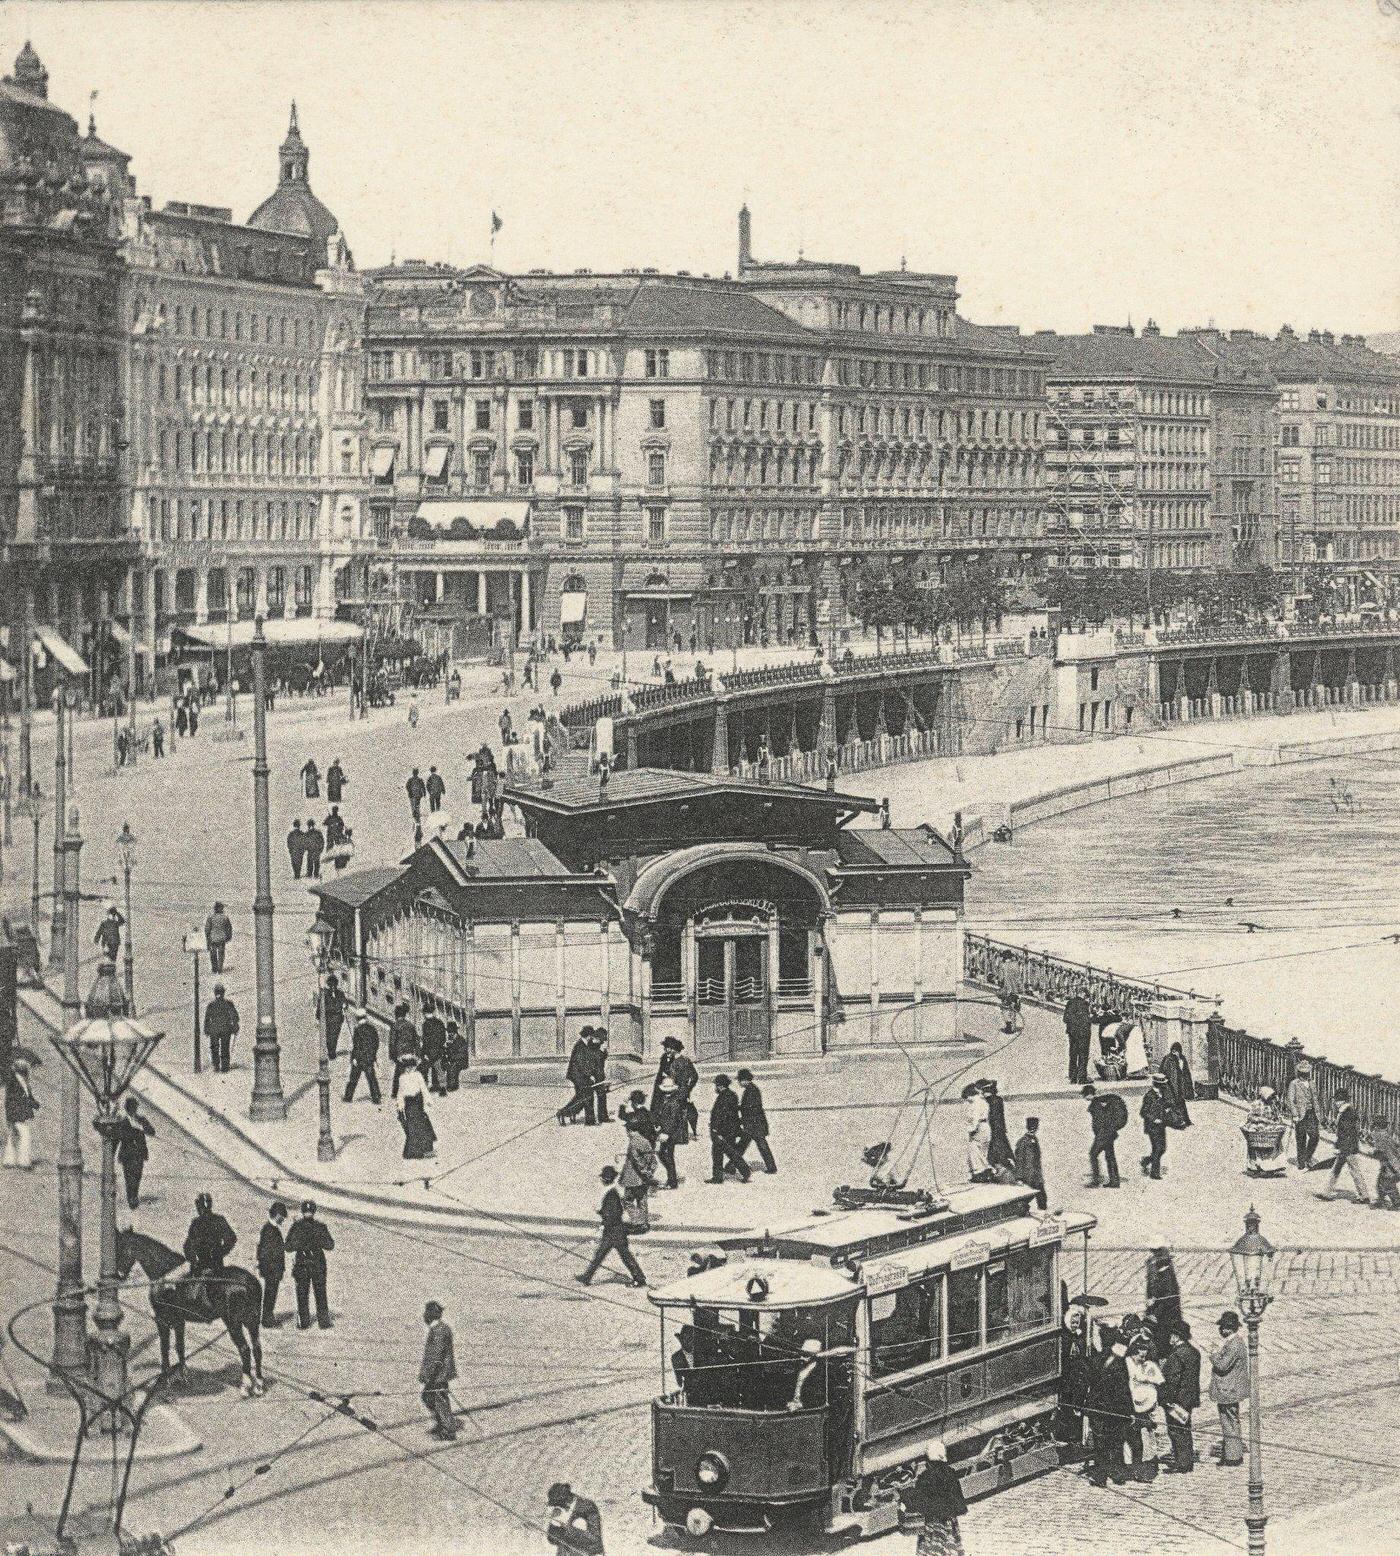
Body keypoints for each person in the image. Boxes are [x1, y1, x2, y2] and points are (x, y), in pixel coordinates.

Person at [575, 1166, 647, 1288]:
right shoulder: (611, 1192)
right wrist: (603, 1214)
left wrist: (603, 1220)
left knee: (623, 1256)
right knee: (602, 1255)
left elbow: (614, 1213)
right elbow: (613, 1212)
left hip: (614, 1231)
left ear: (604, 1179)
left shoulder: (611, 1194)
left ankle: (640, 1279)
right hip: (614, 1231)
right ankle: (587, 1277)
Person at [900, 1440, 968, 1556]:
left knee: (932, 1549)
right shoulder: (950, 1473)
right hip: (949, 1521)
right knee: (950, 1546)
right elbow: (959, 1500)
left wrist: (904, 1494)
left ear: (928, 1461)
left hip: (932, 1522)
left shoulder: (925, 1477)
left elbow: (918, 1500)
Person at [1086, 1329, 1132, 1487]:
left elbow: (1088, 1383)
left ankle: (1100, 1476)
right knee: (1117, 1442)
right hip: (1116, 1409)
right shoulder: (1121, 1362)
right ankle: (1119, 1475)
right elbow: (1125, 1389)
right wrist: (1129, 1411)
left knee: (1100, 1444)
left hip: (1098, 1409)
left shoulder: (1095, 1360)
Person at [285, 1200, 334, 1329]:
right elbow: (330, 1245)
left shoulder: (296, 1226)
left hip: (302, 1262)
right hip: (317, 1263)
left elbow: (288, 1246)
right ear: (314, 1211)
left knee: (302, 1293)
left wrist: (300, 1243)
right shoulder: (320, 1226)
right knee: (320, 1293)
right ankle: (324, 1322)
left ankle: (304, 1322)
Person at [183, 1191, 237, 1309]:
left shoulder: (216, 1221)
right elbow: (188, 1245)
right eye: (200, 1207)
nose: (201, 1210)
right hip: (201, 1264)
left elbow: (231, 1238)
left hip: (213, 1264)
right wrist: (192, 1258)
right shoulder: (197, 1223)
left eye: (201, 1207)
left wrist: (220, 1252)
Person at [1160, 1320, 1201, 1472]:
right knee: (1185, 1429)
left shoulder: (1176, 1355)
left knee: (1176, 1431)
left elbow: (1172, 1381)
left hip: (1176, 1400)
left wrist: (1167, 1400)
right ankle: (1187, 1461)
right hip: (1189, 1399)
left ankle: (1182, 1463)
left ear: (1177, 1337)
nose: (1169, 1337)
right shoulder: (1194, 1352)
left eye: (1171, 1334)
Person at [1124, 1332, 1165, 1481]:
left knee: (1147, 1436)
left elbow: (1159, 1381)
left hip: (1145, 1407)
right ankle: (1132, 1467)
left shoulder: (1146, 1365)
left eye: (1144, 1356)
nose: (1143, 1359)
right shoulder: (1127, 1364)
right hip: (1131, 1407)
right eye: (1140, 1356)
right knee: (1132, 1440)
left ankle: (1146, 1466)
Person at [1209, 1311, 1248, 1467]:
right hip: (1230, 1389)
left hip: (1228, 1390)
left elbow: (1222, 1365)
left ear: (1228, 1328)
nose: (1220, 1330)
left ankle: (1232, 1457)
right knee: (1230, 1421)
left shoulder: (1234, 1345)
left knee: (1229, 1422)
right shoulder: (1234, 1343)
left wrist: (1213, 1354)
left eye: (1222, 1327)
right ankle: (1232, 1453)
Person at [419, 1300, 458, 1440]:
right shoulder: (441, 1328)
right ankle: (443, 1424)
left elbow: (436, 1356)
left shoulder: (439, 1331)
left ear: (431, 1314)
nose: (423, 1316)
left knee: (438, 1400)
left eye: (426, 1312)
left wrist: (428, 1375)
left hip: (438, 1374)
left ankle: (448, 1430)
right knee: (430, 1397)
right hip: (439, 1373)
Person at [1323, 1087, 1369, 1203]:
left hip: (1347, 1147)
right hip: (1347, 1146)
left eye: (1337, 1100)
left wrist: (1340, 1148)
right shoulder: (1346, 1111)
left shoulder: (1347, 1113)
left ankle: (1364, 1196)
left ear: (1342, 1100)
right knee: (1339, 1169)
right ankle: (1327, 1192)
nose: (1335, 1102)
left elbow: (1347, 1133)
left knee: (1351, 1170)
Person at [707, 1075, 751, 1184]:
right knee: (730, 1152)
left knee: (720, 1153)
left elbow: (722, 1116)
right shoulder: (731, 1095)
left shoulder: (723, 1097)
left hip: (722, 1131)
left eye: (716, 1085)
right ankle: (727, 1173)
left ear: (720, 1086)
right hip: (731, 1130)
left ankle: (743, 1171)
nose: (715, 1087)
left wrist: (716, 1130)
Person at [114, 1096, 155, 1210]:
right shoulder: (123, 1121)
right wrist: (135, 1130)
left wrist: (142, 1126)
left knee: (137, 1175)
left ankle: (134, 1195)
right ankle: (131, 1198)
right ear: (127, 1109)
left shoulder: (141, 1119)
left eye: (134, 1108)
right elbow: (120, 1137)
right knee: (129, 1177)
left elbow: (152, 1132)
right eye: (131, 1108)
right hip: (128, 1154)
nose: (133, 1110)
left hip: (139, 1153)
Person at [619, 1116, 658, 1232]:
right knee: (642, 1200)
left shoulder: (634, 1142)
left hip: (634, 1178)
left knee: (627, 1200)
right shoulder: (644, 1140)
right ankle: (644, 1223)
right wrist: (649, 1173)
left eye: (627, 1129)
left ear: (630, 1129)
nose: (626, 1132)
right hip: (643, 1178)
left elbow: (637, 1160)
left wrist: (644, 1172)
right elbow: (652, 1160)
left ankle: (639, 1223)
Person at [735, 1068, 777, 1174]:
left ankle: (772, 1167)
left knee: (746, 1146)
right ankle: (771, 1167)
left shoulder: (751, 1091)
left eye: (740, 1080)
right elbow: (747, 1107)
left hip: (754, 1124)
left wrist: (740, 1117)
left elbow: (750, 1108)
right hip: (755, 1124)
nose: (739, 1083)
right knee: (745, 1146)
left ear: (745, 1080)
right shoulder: (751, 1089)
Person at [1084, 1083, 1125, 1188]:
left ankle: (1095, 1181)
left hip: (1103, 1135)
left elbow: (1101, 1121)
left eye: (1085, 1095)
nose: (1084, 1098)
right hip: (1109, 1134)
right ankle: (1114, 1181)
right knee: (1110, 1156)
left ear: (1089, 1094)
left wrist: (1100, 1135)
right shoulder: (1102, 1101)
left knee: (1093, 1154)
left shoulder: (1096, 1104)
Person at [545, 1483, 604, 1556]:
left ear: (567, 1501)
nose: (556, 1507)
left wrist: (566, 1528)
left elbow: (594, 1539)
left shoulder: (588, 1507)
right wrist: (554, 1524)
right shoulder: (559, 1509)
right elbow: (552, 1540)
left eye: (559, 1504)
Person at [652, 1075, 689, 1190]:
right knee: (664, 1154)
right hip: (665, 1132)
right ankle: (672, 1176)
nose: (666, 1093)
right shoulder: (667, 1100)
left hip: (669, 1134)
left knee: (667, 1156)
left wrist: (666, 1133)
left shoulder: (673, 1103)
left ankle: (672, 1181)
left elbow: (672, 1120)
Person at [397, 1060, 437, 1159]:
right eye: (407, 1067)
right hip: (408, 1104)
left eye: (412, 1067)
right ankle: (413, 1152)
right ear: (405, 1068)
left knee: (422, 1124)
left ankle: (426, 1149)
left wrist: (428, 1100)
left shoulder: (418, 1075)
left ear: (415, 1067)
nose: (410, 1069)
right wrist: (400, 1105)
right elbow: (400, 1093)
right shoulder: (402, 1078)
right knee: (412, 1127)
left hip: (418, 1101)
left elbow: (423, 1088)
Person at [559, 1027, 599, 1125]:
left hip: (580, 1076)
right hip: (578, 1076)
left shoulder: (584, 1045)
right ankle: (589, 1121)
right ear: (588, 1036)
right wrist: (589, 1075)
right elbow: (581, 1064)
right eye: (591, 1036)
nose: (592, 1038)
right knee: (587, 1096)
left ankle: (567, 1113)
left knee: (581, 1097)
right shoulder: (579, 1046)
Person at [2, 1059, 38, 1171]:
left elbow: (27, 1096)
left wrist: (35, 1103)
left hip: (17, 1113)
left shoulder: (23, 1081)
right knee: (25, 1135)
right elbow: (13, 1099)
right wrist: (30, 1103)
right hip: (16, 1114)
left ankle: (9, 1160)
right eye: (27, 1068)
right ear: (22, 1069)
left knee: (12, 1136)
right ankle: (24, 1161)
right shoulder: (13, 1081)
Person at [1144, 1247, 1182, 1350]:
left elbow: (1168, 1298)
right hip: (1162, 1312)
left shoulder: (1166, 1277)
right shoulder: (1164, 1273)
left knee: (1163, 1337)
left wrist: (1154, 1313)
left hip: (1164, 1315)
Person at [257, 1201, 288, 1326]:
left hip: (272, 1269)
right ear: (277, 1215)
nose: (283, 1219)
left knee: (270, 1294)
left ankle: (267, 1317)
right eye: (282, 1216)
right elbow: (266, 1252)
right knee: (270, 1295)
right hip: (271, 1269)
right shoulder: (269, 1230)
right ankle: (267, 1319)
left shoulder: (270, 1228)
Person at [1285, 1060, 1319, 1169]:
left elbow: (1315, 1098)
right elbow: (1290, 1100)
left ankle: (1307, 1157)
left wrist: (1318, 1112)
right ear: (1299, 1073)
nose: (1305, 1074)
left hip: (1312, 1113)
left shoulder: (1312, 1083)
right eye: (1303, 1072)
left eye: (1307, 1072)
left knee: (1315, 1137)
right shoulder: (1294, 1083)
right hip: (1300, 1114)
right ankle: (1301, 1161)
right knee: (1301, 1138)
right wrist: (1294, 1114)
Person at [344, 1008, 382, 1103]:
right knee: (372, 1079)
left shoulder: (358, 1030)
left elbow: (356, 1046)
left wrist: (353, 1058)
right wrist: (373, 1054)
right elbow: (376, 1043)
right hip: (369, 1058)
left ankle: (348, 1097)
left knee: (353, 1079)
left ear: (357, 1018)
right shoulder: (372, 1029)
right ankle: (376, 1097)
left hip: (359, 1058)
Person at [203, 982, 240, 1073]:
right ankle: (224, 1066)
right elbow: (235, 1017)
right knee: (223, 1048)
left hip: (218, 1030)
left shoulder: (212, 1005)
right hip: (223, 1029)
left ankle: (219, 1065)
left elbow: (207, 1019)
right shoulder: (228, 1004)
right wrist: (235, 1026)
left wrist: (207, 1029)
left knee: (217, 1048)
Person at [982, 1078, 1015, 1174]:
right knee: (1003, 1149)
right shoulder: (998, 1100)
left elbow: (992, 1117)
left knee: (997, 1150)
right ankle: (1005, 1167)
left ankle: (999, 1168)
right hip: (1000, 1128)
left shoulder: (989, 1101)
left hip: (994, 1129)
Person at [1140, 1073, 1169, 1179]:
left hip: (1161, 1125)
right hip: (1152, 1127)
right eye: (1163, 1084)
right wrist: (1153, 1119)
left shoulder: (1162, 1094)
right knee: (1157, 1148)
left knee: (1162, 1148)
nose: (1165, 1086)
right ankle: (1154, 1173)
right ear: (1158, 1084)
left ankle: (1146, 1161)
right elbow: (1143, 1112)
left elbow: (1164, 1105)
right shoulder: (1149, 1096)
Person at [1013, 1116, 1046, 1209]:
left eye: (1034, 1127)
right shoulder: (1023, 1142)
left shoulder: (1033, 1140)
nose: (1034, 1129)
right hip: (1028, 1175)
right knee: (1027, 1198)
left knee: (1041, 1197)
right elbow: (1019, 1160)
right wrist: (1019, 1177)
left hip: (1035, 1175)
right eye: (1033, 1127)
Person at [388, 1004, 420, 1099]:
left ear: (396, 1015)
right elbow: (416, 1041)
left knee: (398, 1073)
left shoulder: (395, 1026)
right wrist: (417, 1054)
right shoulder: (411, 1025)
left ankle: (395, 1093)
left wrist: (392, 1056)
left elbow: (392, 1042)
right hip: (410, 1053)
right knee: (409, 1073)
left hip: (400, 1054)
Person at [1161, 1041, 1195, 1128]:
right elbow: (1163, 1072)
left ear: (1179, 1051)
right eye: (1173, 1050)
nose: (1174, 1052)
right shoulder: (1168, 1059)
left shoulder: (1182, 1059)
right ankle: (1176, 1121)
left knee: (1181, 1101)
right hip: (1171, 1084)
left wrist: (1189, 1085)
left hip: (1180, 1083)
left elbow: (1186, 1071)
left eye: (1176, 1051)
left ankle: (1186, 1120)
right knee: (1172, 1102)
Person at [1064, 988, 1093, 1087]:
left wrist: (1073, 1027)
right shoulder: (1084, 1004)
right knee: (1083, 1055)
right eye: (1087, 996)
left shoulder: (1070, 1003)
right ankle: (1081, 1078)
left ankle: (1072, 1077)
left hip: (1072, 1033)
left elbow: (1065, 1018)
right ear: (1084, 995)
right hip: (1083, 1034)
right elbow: (1086, 1021)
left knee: (1073, 1054)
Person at [963, 1082, 991, 1181]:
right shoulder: (983, 1102)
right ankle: (985, 1172)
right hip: (986, 1127)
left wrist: (970, 1129)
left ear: (970, 1095)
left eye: (967, 1098)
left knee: (973, 1149)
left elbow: (975, 1119)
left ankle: (980, 1173)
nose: (967, 1101)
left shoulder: (975, 1104)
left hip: (979, 1128)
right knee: (983, 1151)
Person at [1372, 1113, 1400, 1210]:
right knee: (1380, 1182)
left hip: (1392, 1166)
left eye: (1374, 1125)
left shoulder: (1381, 1136)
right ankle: (1381, 1199)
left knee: (1388, 1184)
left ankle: (1396, 1203)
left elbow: (1386, 1153)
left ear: (1377, 1126)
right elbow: (1395, 1145)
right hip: (1389, 1164)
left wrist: (1395, 1169)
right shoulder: (1384, 1135)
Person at [319, 973, 346, 1061]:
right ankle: (331, 1051)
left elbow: (345, 1003)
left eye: (335, 984)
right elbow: (321, 1006)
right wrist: (318, 1017)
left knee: (335, 1036)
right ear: (329, 985)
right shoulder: (325, 994)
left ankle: (332, 1050)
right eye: (331, 985)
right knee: (329, 1035)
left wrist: (345, 1005)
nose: (333, 986)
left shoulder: (340, 993)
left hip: (338, 1019)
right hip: (329, 1018)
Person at [420, 1004, 447, 1094]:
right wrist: (440, 1047)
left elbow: (425, 1040)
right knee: (439, 1069)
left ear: (425, 1013)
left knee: (424, 1069)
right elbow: (443, 1037)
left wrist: (424, 1052)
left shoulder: (426, 1024)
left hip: (429, 1051)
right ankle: (442, 1088)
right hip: (438, 1050)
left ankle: (425, 1087)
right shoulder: (440, 1022)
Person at [204, 901, 233, 973]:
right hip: (222, 938)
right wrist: (229, 937)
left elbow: (207, 929)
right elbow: (229, 928)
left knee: (213, 954)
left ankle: (214, 969)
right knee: (221, 954)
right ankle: (220, 969)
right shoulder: (225, 917)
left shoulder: (210, 917)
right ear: (221, 908)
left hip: (212, 938)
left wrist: (207, 937)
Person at [443, 1021, 469, 1092]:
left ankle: (452, 1086)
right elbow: (447, 1053)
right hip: (453, 1060)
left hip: (461, 1061)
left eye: (451, 1032)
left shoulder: (461, 1040)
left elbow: (463, 1054)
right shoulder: (449, 1041)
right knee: (448, 1065)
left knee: (453, 1066)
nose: (449, 1034)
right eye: (448, 1032)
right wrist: (446, 1047)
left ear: (455, 1032)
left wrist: (452, 1057)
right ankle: (449, 1085)